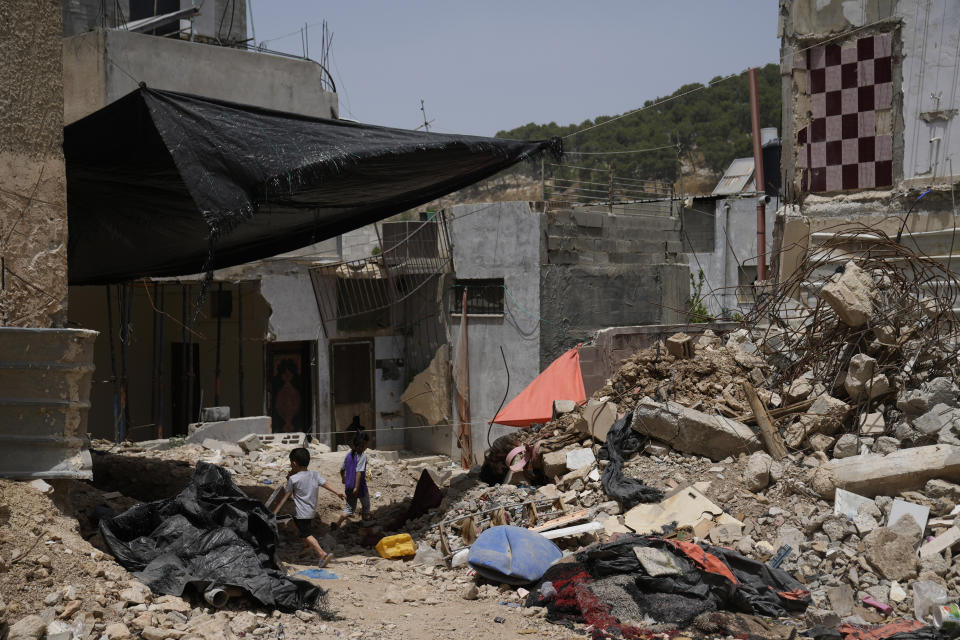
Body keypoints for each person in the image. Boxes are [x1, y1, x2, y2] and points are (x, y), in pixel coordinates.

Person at [272, 447, 344, 567]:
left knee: (306, 534)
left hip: (301, 513)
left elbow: (285, 497)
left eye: (291, 463)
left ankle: (322, 554)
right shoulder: (314, 474)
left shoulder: (293, 479)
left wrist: (274, 512)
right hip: (310, 511)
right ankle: (306, 547)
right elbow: (325, 484)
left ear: (294, 463)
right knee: (298, 526)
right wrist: (337, 492)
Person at [336, 429, 371, 528]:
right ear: (364, 444)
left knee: (349, 509)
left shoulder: (348, 455)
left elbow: (342, 469)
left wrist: (343, 478)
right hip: (359, 486)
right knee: (366, 505)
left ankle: (338, 523)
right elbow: (359, 471)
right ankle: (365, 522)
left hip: (348, 485)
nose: (367, 446)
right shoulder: (362, 456)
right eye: (367, 443)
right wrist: (356, 487)